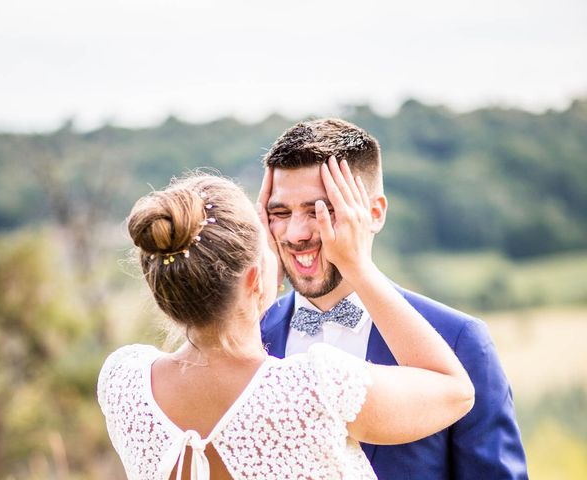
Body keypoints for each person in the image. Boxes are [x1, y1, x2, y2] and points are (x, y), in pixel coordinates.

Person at [97, 171, 474, 479]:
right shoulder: (314, 388)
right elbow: (455, 389)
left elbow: (219, 330)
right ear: (254, 277)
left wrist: (253, 280)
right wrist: (358, 265)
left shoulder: (124, 383)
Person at [258, 118, 529, 480]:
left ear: (374, 213)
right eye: (280, 213)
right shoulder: (249, 334)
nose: (295, 233)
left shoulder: (460, 341)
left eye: (320, 211)